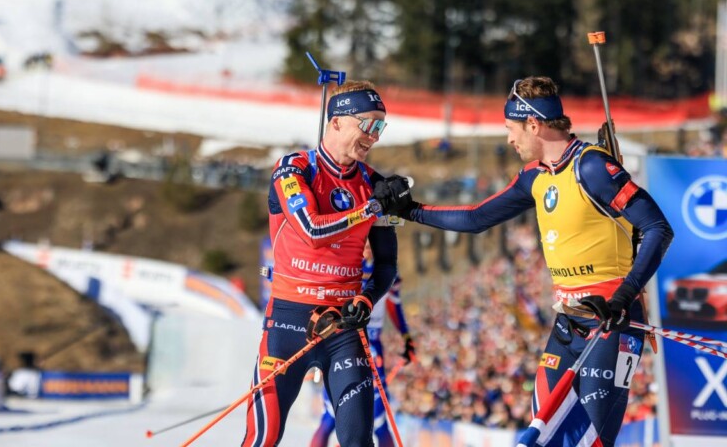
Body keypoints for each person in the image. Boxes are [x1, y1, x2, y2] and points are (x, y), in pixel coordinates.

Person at [388, 76, 674, 446]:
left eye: (511, 128)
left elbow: (657, 228)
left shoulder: (591, 166)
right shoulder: (534, 175)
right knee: (543, 436)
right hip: (568, 323)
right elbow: (476, 218)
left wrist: (624, 295)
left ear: (533, 124)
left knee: (591, 441)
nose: (509, 139)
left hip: (611, 321)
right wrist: (409, 210)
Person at [241, 80, 412, 447]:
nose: (374, 136)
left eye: (380, 127)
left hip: (343, 328)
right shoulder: (293, 168)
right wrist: (371, 208)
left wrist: (367, 299)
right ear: (336, 122)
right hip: (288, 323)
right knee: (263, 438)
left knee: (358, 441)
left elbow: (386, 264)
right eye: (368, 124)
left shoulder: (374, 184)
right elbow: (312, 230)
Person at [310, 242, 415, 447]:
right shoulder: (346, 264)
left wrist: (406, 337)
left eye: (371, 240)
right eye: (364, 240)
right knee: (330, 417)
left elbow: (394, 305)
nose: (368, 245)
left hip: (372, 343)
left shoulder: (386, 269)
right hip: (344, 340)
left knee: (379, 421)